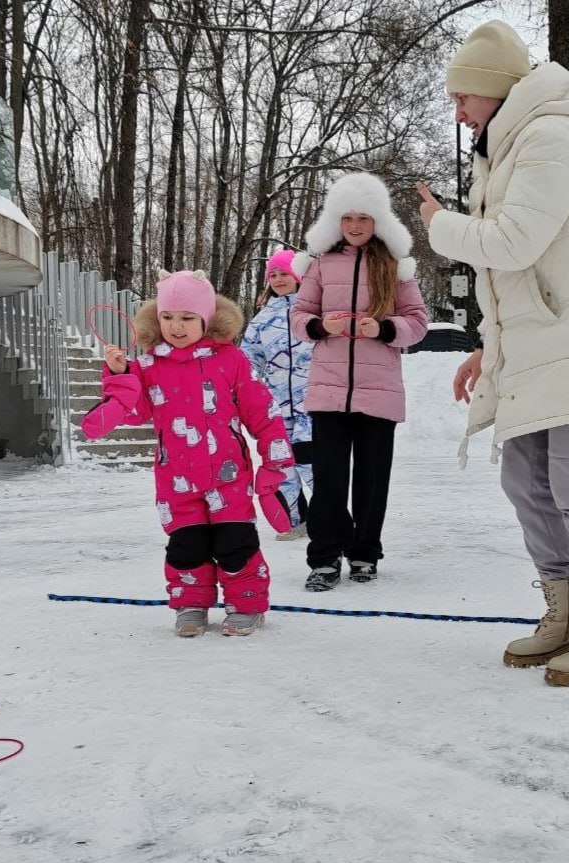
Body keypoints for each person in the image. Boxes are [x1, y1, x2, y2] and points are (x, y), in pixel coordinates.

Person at [416, 20, 569, 687]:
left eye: (463, 96)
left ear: (494, 88)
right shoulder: (506, 149)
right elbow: (521, 275)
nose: (458, 112)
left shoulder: (551, 135)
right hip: (541, 344)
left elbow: (513, 243)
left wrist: (440, 226)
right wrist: (489, 348)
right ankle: (567, 613)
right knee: (524, 479)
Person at [81, 270, 294, 637]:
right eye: (167, 317)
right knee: (186, 545)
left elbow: (261, 410)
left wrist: (274, 458)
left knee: (234, 542)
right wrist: (120, 375)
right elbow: (135, 413)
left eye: (187, 318)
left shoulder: (231, 360)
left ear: (206, 319)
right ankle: (191, 604)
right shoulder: (148, 365)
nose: (176, 326)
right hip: (176, 478)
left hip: (228, 474)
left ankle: (246, 604)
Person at [289, 172, 428, 591]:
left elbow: (418, 322)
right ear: (336, 220)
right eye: (347, 217)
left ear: (377, 221)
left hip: (379, 393)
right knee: (329, 479)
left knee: (371, 480)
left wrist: (383, 329)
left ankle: (365, 552)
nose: (354, 225)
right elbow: (298, 315)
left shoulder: (395, 268)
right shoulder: (320, 264)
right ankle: (325, 557)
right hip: (328, 392)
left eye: (363, 218)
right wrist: (321, 326)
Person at [241, 249, 315, 541]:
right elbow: (248, 361)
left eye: (284, 273)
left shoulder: (313, 311)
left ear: (298, 276)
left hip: (312, 404)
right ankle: (297, 521)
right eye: (273, 275)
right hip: (277, 406)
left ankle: (328, 518)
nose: (279, 279)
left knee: (311, 461)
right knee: (282, 463)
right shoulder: (262, 320)